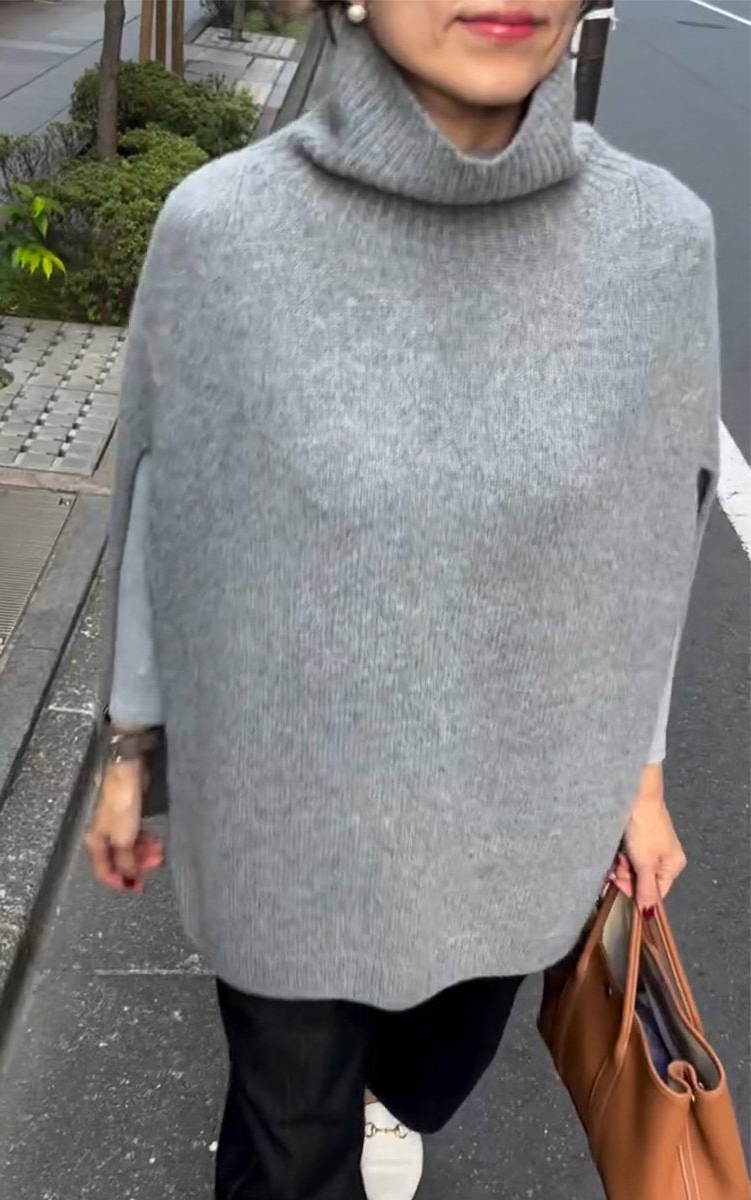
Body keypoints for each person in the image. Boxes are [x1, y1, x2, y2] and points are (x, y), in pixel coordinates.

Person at [85, 1, 720, 1197]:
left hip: (513, 813)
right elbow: (164, 509)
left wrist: (635, 784)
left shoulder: (654, 244)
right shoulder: (225, 229)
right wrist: (131, 752)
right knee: (292, 1138)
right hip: (279, 813)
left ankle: (369, 1094)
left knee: (424, 1071)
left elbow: (649, 549)